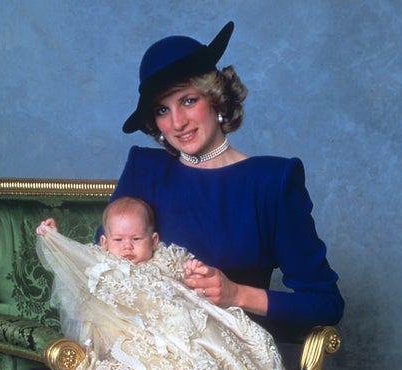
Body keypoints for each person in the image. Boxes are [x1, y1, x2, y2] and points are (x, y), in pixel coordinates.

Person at [110, 21, 344, 342]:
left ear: (216, 99)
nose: (177, 123)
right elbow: (103, 273)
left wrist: (236, 295)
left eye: (188, 101)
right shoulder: (144, 170)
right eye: (163, 110)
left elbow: (325, 304)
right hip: (145, 351)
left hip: (230, 359)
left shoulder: (272, 182)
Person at [35, 197, 299, 370]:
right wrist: (53, 238)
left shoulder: (162, 260)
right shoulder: (101, 263)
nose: (127, 247)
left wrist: (194, 270)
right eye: (119, 240)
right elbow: (72, 260)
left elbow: (186, 276)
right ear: (104, 242)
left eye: (136, 239)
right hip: (125, 339)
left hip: (171, 333)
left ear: (153, 241)